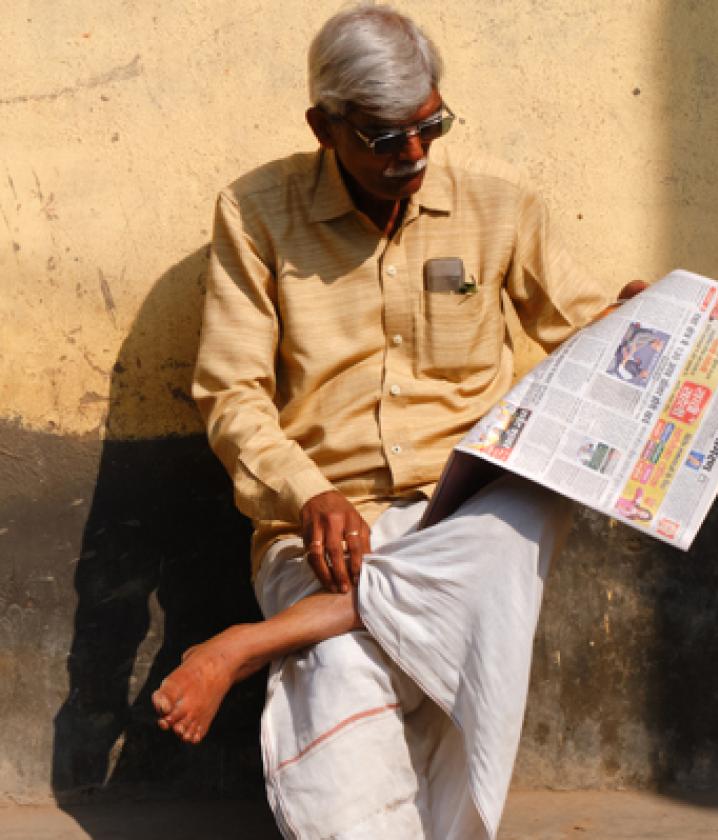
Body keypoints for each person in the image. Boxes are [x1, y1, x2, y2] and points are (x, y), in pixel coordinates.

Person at [152, 5, 644, 837]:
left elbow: (587, 328)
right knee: (341, 668)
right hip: (328, 523)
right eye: (384, 137)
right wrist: (309, 493)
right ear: (324, 125)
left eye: (429, 127)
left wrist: (641, 323)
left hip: (464, 514)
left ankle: (247, 642)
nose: (412, 156)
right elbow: (231, 393)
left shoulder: (503, 209)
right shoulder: (256, 212)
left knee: (512, 524)